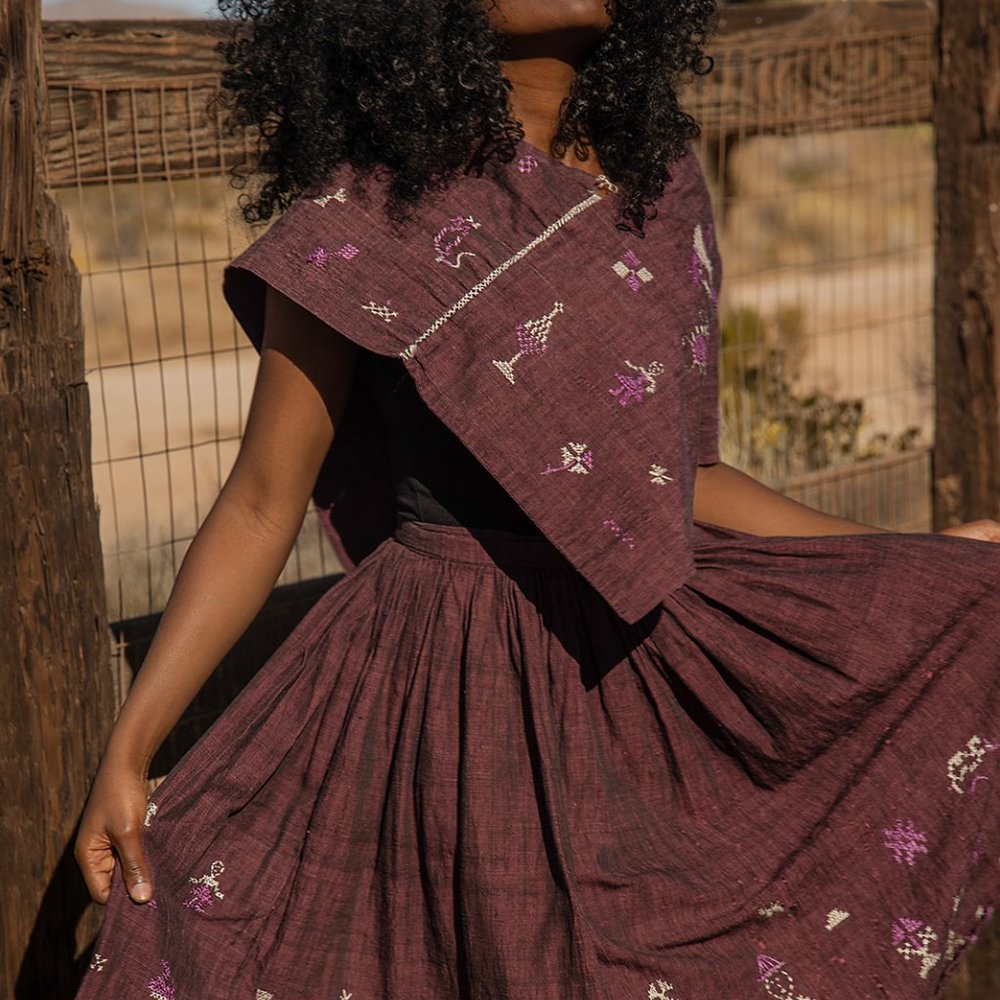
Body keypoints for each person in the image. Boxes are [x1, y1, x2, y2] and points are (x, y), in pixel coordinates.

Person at [74, 1, 1000, 997]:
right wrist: (130, 749)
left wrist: (900, 557)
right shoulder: (368, 210)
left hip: (631, 663)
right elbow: (263, 503)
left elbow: (686, 477)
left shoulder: (659, 189)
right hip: (441, 677)